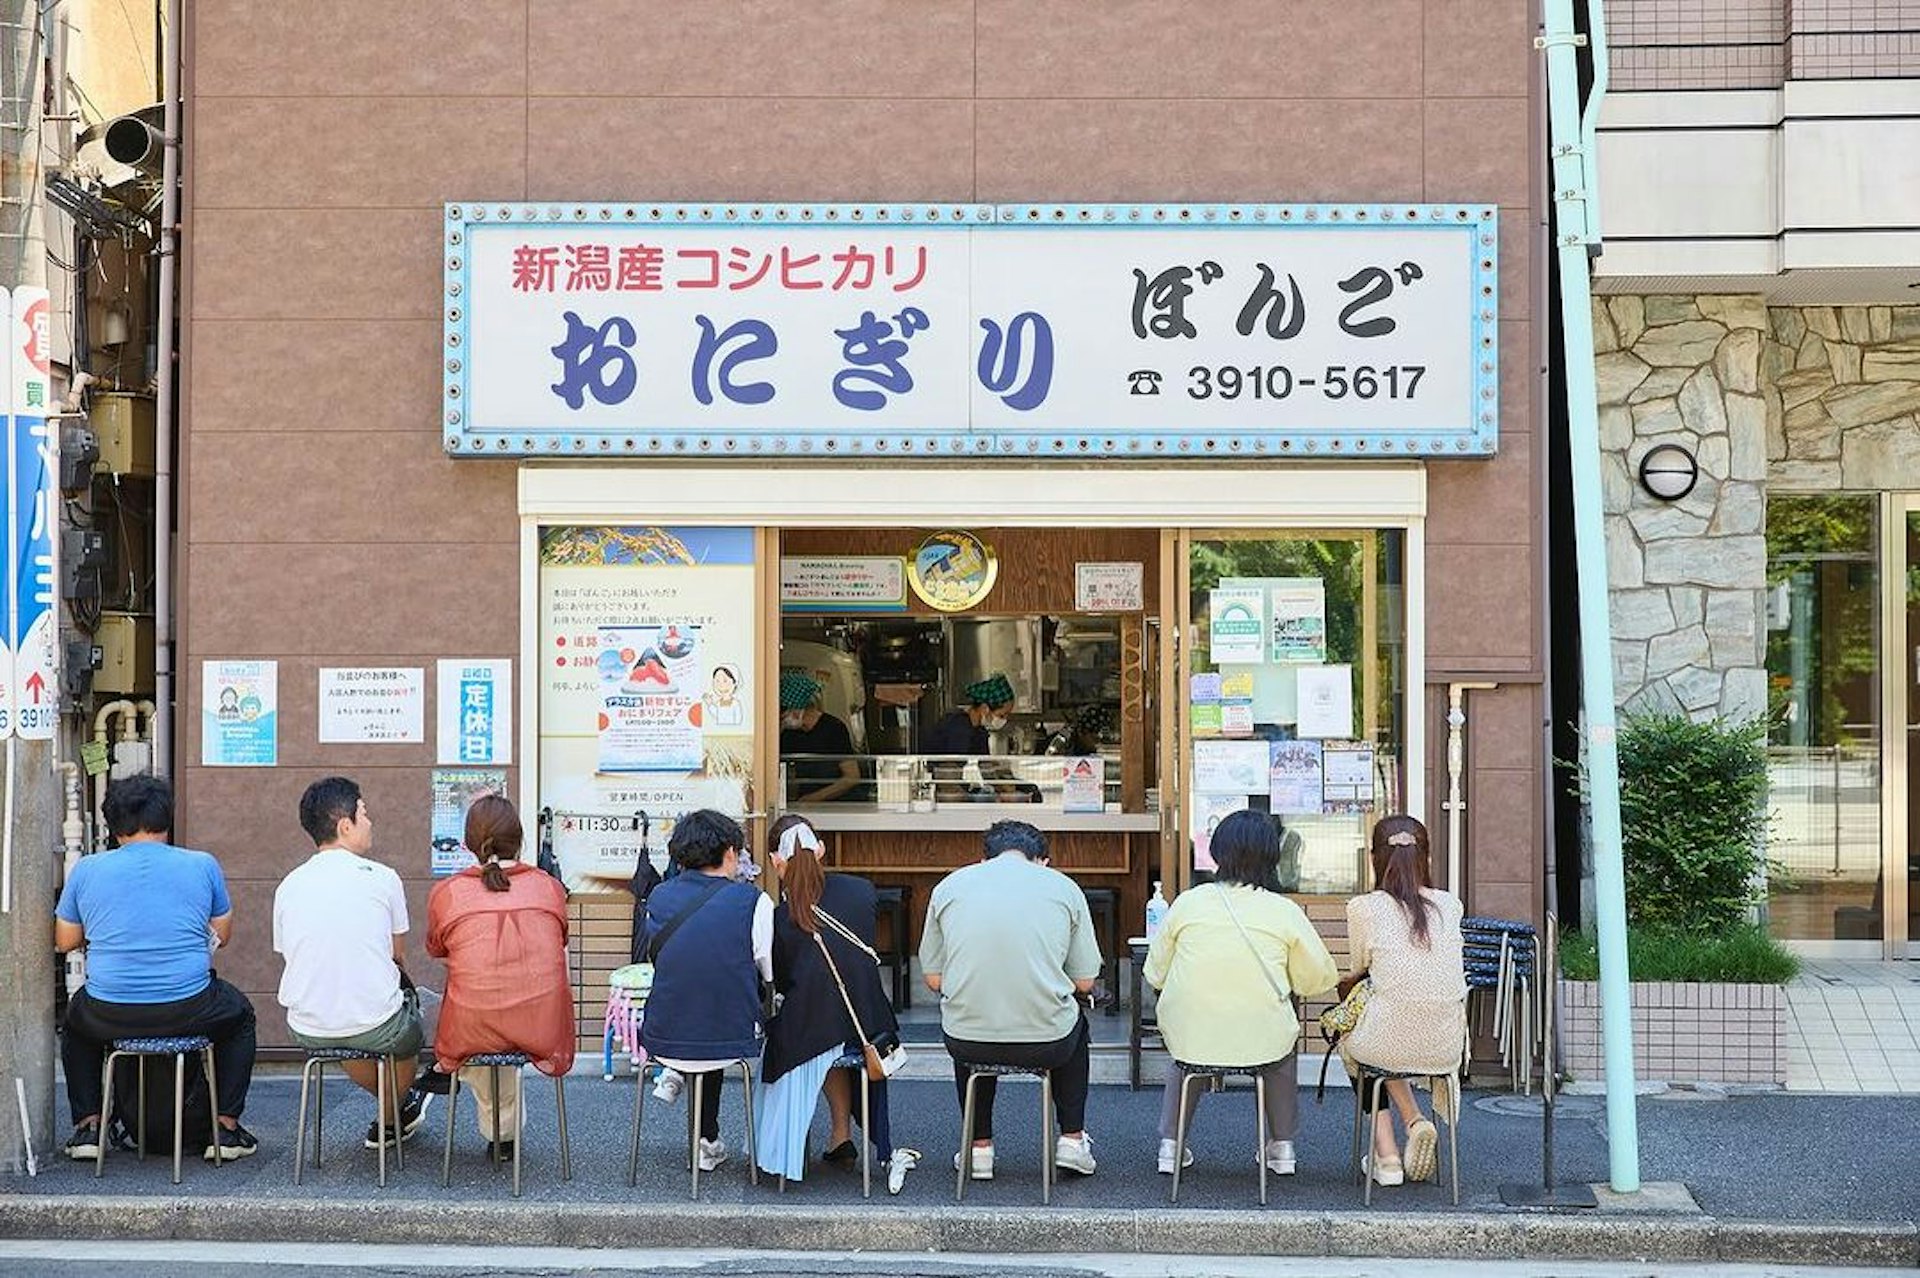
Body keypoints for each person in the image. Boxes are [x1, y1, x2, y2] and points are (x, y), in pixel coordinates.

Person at [55, 775, 260, 1161]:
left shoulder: (86, 870)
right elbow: (223, 934)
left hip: (108, 1011)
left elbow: (65, 940)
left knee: (76, 1024)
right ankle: (226, 1129)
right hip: (189, 1007)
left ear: (113, 826)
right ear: (167, 819)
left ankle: (88, 1128)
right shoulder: (202, 864)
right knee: (240, 1017)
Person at [1142, 810, 1338, 1176]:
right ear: (1271, 856)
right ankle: (1281, 1147)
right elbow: (1316, 979)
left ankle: (1171, 1144)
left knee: (1186, 1057)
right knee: (1280, 1053)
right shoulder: (1283, 911)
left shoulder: (1188, 902)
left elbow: (1154, 972)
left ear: (1217, 851)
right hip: (1261, 1037)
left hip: (1194, 1033)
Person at [919, 819, 1101, 1179]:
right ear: (1042, 860)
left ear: (984, 858)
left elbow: (934, 979)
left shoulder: (950, 886)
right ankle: (1071, 1141)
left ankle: (978, 1148)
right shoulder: (1064, 887)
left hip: (966, 1041)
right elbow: (1084, 982)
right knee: (1075, 1025)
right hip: (1047, 1043)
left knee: (971, 1017)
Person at [754, 815, 920, 1193]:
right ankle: (840, 1136)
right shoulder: (862, 891)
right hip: (868, 1024)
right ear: (822, 850)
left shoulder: (780, 917)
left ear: (775, 861)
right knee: (832, 1038)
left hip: (811, 1030)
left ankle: (791, 1150)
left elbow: (781, 979)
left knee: (805, 1036)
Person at [274, 777, 431, 1149]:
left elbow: (289, 953)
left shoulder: (289, 885)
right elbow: (397, 955)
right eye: (364, 813)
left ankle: (397, 1109)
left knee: (347, 1020)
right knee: (404, 1025)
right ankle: (393, 1116)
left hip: (307, 1025)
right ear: (345, 825)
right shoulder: (383, 878)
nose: (370, 821)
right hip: (375, 1023)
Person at [425, 795, 573, 1159]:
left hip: (471, 1026)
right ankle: (502, 1132)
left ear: (468, 844)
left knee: (479, 1007)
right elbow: (559, 941)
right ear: (520, 839)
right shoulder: (549, 887)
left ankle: (495, 1123)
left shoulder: (448, 892)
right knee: (504, 1009)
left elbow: (437, 950)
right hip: (542, 1023)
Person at [635, 808, 770, 1173]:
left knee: (698, 1012)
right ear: (730, 851)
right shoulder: (753, 901)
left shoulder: (659, 897)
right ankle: (716, 1141)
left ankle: (700, 1128)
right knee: (718, 1013)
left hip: (664, 1032)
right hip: (730, 1032)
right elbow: (767, 968)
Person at [1339, 814, 1467, 1188]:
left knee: (1355, 1041)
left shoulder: (1364, 908)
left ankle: (1388, 1157)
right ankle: (1415, 1121)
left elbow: (1359, 969)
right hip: (1445, 1045)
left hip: (1386, 1039)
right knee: (1388, 1031)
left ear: (1374, 859)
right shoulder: (1450, 905)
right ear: (1426, 857)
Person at [778, 672, 862, 804]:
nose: (781, 717)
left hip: (832, 806)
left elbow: (852, 777)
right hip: (797, 805)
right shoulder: (788, 733)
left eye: (783, 712)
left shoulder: (833, 728)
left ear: (797, 709)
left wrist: (814, 798)